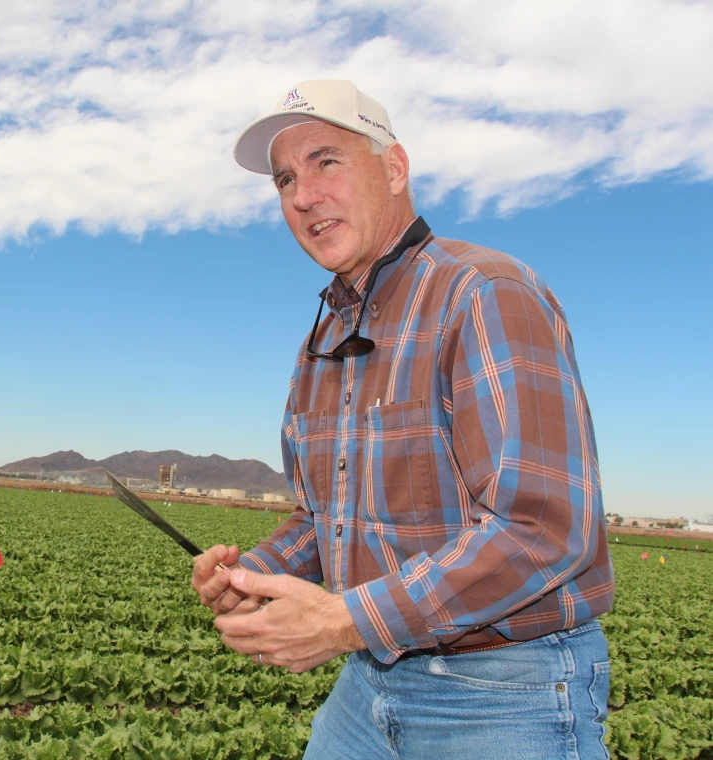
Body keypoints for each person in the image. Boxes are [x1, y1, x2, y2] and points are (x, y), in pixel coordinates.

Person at [191, 80, 614, 759]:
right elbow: (325, 513)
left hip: (506, 690)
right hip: (370, 682)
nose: (302, 196)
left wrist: (345, 619)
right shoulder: (325, 334)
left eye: (326, 161)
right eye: (284, 179)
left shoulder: (483, 293)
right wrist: (255, 573)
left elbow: (541, 527)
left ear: (394, 167)